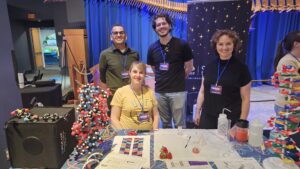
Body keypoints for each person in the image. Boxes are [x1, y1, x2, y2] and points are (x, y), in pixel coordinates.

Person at [193, 29, 252, 129]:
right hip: (207, 117)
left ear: (234, 45)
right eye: (220, 44)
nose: (224, 47)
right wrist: (197, 111)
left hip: (230, 119)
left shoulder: (242, 69)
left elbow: (245, 99)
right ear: (216, 46)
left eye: (228, 43)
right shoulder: (208, 67)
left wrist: (241, 122)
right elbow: (202, 92)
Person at [147, 13, 194, 128]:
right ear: (155, 29)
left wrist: (178, 78)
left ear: (169, 25)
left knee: (180, 125)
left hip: (178, 91)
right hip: (160, 92)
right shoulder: (152, 48)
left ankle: (180, 146)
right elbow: (154, 69)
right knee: (166, 124)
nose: (161, 26)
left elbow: (189, 67)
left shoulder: (182, 44)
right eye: (158, 25)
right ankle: (167, 146)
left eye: (164, 23)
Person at [99, 24, 139, 111]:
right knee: (115, 122)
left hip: (131, 94)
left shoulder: (134, 54)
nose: (118, 35)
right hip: (114, 95)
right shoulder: (105, 54)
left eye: (121, 32)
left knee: (131, 121)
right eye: (115, 33)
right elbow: (102, 77)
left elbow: (138, 74)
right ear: (111, 37)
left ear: (126, 36)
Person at [110, 61, 160, 130]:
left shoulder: (150, 92)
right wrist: (123, 134)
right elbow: (114, 118)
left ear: (145, 75)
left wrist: (155, 132)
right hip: (127, 136)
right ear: (129, 73)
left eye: (141, 72)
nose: (138, 75)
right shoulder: (120, 92)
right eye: (135, 72)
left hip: (148, 135)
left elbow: (156, 115)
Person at [273, 31, 300, 114]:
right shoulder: (288, 61)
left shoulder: (295, 59)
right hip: (287, 106)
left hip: (294, 105)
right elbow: (292, 85)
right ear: (296, 44)